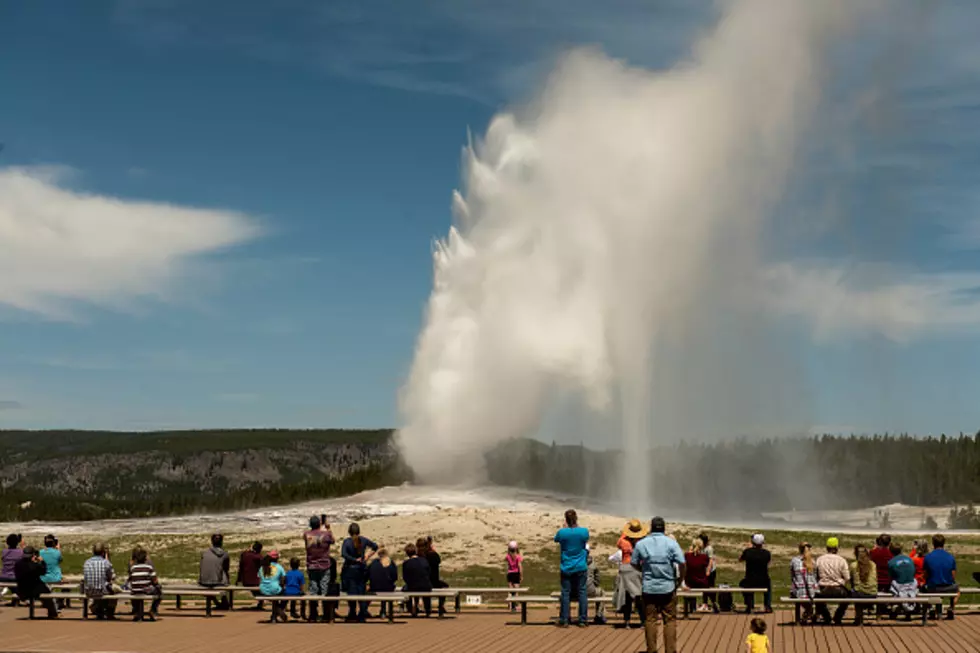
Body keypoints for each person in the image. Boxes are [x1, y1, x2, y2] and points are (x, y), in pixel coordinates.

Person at [632, 517, 685, 653]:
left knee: (650, 620)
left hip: (649, 588)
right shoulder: (671, 543)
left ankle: (651, 650)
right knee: (670, 621)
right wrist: (679, 579)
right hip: (668, 587)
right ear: (664, 528)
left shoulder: (642, 544)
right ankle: (670, 650)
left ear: (651, 528)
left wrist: (642, 570)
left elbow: (633, 562)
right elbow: (682, 562)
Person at [554, 508, 590, 627]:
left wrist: (565, 528)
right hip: (580, 565)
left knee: (565, 593)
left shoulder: (562, 532)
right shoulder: (584, 531)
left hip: (566, 565)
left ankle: (564, 619)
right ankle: (582, 619)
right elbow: (585, 539)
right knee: (582, 592)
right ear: (576, 519)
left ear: (566, 520)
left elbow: (556, 539)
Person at [340, 522, 378, 622]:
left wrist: (353, 559)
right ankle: (362, 613)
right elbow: (375, 546)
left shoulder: (347, 542)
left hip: (350, 570)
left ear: (349, 532)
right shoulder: (363, 540)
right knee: (361, 591)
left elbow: (343, 554)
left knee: (351, 592)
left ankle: (352, 612)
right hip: (361, 569)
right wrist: (367, 556)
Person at [613, 519, 647, 627]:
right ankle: (642, 621)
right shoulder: (641, 542)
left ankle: (627, 621)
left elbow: (618, 544)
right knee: (639, 595)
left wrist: (625, 534)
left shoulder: (623, 541)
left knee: (626, 595)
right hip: (637, 568)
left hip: (625, 568)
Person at [303, 516, 334, 622]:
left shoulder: (306, 534)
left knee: (313, 590)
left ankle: (313, 614)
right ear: (320, 524)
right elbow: (333, 541)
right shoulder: (326, 534)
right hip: (324, 565)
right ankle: (326, 614)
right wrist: (328, 528)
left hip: (311, 565)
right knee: (324, 589)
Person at [922, 534, 959, 620]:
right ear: (944, 543)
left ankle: (930, 608)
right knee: (957, 589)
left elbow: (925, 575)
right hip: (948, 587)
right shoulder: (950, 557)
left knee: (924, 587)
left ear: (933, 543)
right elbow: (953, 576)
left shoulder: (928, 557)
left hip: (933, 588)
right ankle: (951, 608)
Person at [814, 537, 850, 625]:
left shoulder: (819, 559)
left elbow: (815, 575)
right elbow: (847, 577)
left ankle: (826, 617)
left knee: (818, 598)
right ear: (837, 548)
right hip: (839, 589)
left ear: (827, 548)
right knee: (848, 596)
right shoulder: (841, 560)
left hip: (823, 589)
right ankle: (838, 616)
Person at [14, 546, 58, 618]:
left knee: (43, 590)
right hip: (34, 590)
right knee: (48, 594)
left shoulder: (18, 564)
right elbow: (43, 571)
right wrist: (41, 562)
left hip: (22, 590)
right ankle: (53, 613)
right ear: (33, 555)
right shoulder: (34, 565)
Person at [83, 542, 116, 620]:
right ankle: (110, 612)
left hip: (89, 590)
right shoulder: (106, 562)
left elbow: (86, 577)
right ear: (103, 552)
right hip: (101, 591)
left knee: (99, 587)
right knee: (114, 589)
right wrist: (107, 559)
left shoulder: (87, 562)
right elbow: (112, 577)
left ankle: (98, 609)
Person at [739, 533, 772, 613]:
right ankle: (767, 605)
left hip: (750, 580)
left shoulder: (748, 552)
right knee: (768, 586)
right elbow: (768, 562)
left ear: (753, 542)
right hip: (763, 580)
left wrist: (748, 549)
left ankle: (749, 604)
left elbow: (740, 559)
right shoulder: (767, 553)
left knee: (742, 584)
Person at [199, 533, 231, 610]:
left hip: (203, 581)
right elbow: (226, 569)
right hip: (217, 582)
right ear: (222, 542)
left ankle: (217, 602)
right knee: (224, 576)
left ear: (212, 542)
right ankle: (224, 601)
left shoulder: (205, 553)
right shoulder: (225, 554)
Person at [128, 547, 162, 620]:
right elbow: (155, 580)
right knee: (159, 592)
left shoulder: (133, 567)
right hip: (146, 590)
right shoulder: (149, 567)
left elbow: (130, 578)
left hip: (135, 590)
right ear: (145, 559)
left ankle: (137, 611)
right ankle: (153, 610)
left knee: (134, 590)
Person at [887, 542, 918, 618]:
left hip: (900, 585)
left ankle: (895, 606)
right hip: (911, 585)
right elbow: (913, 572)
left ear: (890, 551)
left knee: (893, 584)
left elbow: (890, 577)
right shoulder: (909, 559)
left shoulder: (891, 562)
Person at [402, 542, 433, 617]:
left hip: (413, 586)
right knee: (425, 587)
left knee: (405, 588)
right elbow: (429, 573)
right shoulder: (424, 560)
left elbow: (405, 577)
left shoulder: (406, 563)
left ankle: (411, 608)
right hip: (426, 585)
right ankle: (428, 609)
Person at [789, 542, 817, 624]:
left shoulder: (794, 560)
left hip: (797, 591)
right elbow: (814, 578)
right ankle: (810, 613)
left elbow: (792, 576)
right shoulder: (813, 562)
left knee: (802, 597)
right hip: (811, 592)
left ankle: (809, 613)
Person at [851, 544, 878, 625]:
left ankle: (858, 618)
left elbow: (851, 580)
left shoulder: (853, 565)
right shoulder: (873, 564)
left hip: (860, 594)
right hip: (873, 593)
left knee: (855, 590)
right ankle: (869, 611)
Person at [367, 547, 398, 619]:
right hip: (387, 588)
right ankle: (383, 611)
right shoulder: (391, 563)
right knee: (387, 587)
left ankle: (363, 610)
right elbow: (395, 577)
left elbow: (368, 575)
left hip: (374, 587)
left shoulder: (374, 563)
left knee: (370, 590)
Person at [683, 538, 710, 616]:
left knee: (690, 581)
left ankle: (692, 607)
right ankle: (705, 604)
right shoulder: (704, 557)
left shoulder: (687, 555)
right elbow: (706, 565)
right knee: (706, 582)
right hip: (701, 582)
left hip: (689, 581)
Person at [422, 536, 448, 616]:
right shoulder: (432, 555)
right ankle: (440, 605)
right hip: (434, 581)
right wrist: (434, 551)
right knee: (445, 587)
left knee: (425, 590)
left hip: (425, 581)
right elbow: (438, 560)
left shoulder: (422, 556)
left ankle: (427, 608)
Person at [258, 551, 287, 623]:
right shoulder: (279, 567)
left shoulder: (262, 567)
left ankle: (274, 616)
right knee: (286, 594)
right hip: (275, 589)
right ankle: (279, 609)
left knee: (275, 597)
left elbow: (259, 579)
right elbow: (283, 579)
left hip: (263, 590)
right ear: (277, 558)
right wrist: (281, 585)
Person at [870, 533, 894, 617]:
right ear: (889, 543)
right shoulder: (891, 554)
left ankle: (878, 610)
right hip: (888, 581)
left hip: (875, 580)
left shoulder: (873, 552)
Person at [237, 541, 264, 609]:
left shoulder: (244, 554)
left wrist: (238, 579)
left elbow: (240, 568)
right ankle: (261, 602)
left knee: (256, 590)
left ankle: (260, 602)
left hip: (246, 580)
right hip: (255, 581)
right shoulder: (258, 557)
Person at [585, 544, 606, 624]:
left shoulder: (574, 561)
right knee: (601, 592)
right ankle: (599, 615)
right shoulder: (592, 564)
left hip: (574, 591)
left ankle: (566, 616)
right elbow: (597, 578)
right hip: (589, 590)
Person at [698, 532, 718, 613]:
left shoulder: (709, 549)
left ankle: (714, 603)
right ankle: (705, 603)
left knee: (710, 587)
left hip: (710, 571)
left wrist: (708, 571)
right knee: (704, 587)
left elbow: (711, 560)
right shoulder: (702, 548)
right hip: (704, 570)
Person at [505, 541, 523, 613]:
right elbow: (520, 566)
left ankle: (510, 605)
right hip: (516, 573)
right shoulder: (518, 557)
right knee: (516, 591)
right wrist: (521, 575)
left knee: (510, 590)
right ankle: (516, 605)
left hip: (510, 573)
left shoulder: (508, 556)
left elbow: (508, 564)